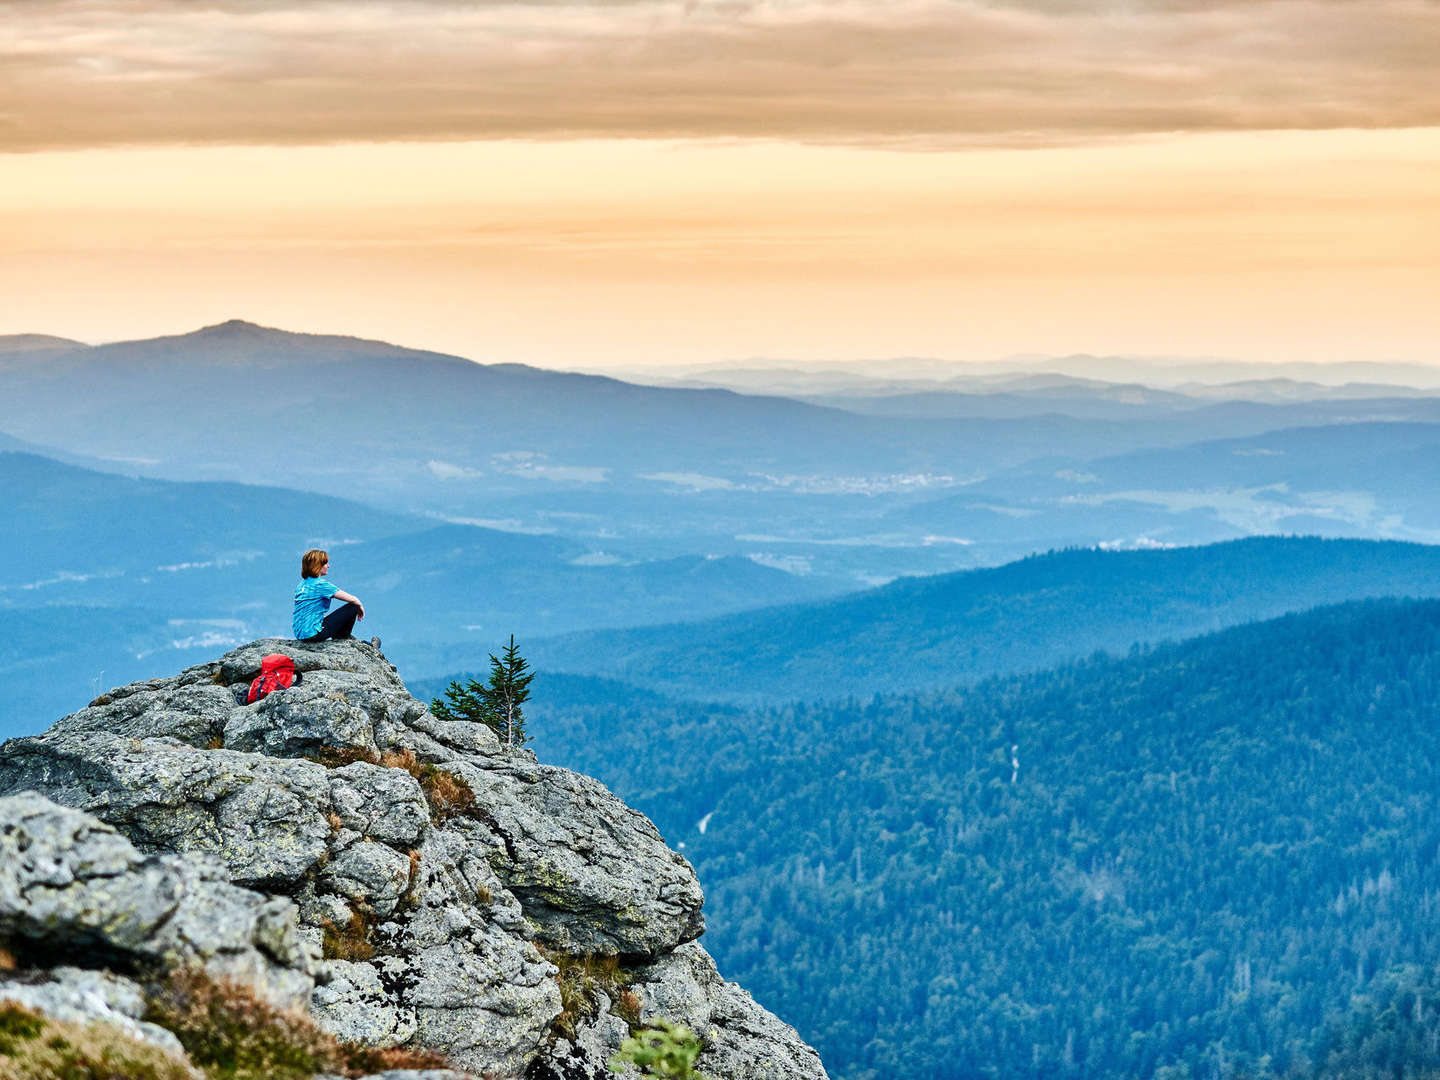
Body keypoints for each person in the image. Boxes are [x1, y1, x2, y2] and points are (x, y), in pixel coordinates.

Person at [292, 548, 378, 647]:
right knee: (353, 606)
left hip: (300, 634)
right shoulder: (320, 584)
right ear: (318, 565)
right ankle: (343, 637)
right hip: (313, 635)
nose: (328, 566)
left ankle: (347, 637)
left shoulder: (301, 585)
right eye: (325, 563)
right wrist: (360, 606)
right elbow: (352, 599)